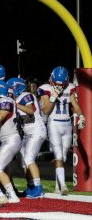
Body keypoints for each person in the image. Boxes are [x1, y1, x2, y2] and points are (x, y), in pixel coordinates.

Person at [38, 66, 86, 195]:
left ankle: (58, 185)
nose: (59, 85)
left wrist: (81, 116)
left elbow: (74, 104)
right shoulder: (45, 89)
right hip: (54, 123)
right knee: (58, 155)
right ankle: (63, 186)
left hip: (67, 124)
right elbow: (45, 110)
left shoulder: (70, 87)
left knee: (63, 157)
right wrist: (54, 96)